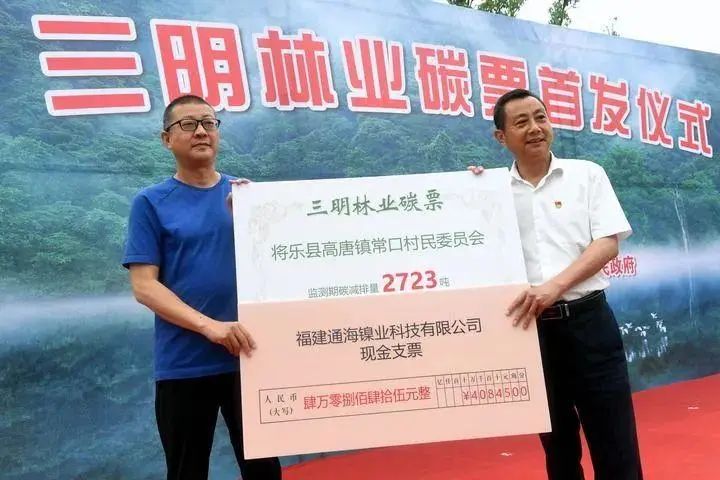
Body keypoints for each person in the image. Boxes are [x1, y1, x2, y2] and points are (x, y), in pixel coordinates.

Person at [470, 88, 643, 479]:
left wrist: (554, 287)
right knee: (558, 447)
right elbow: (473, 247)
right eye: (521, 122)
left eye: (541, 117)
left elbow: (608, 243)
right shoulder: (492, 192)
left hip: (590, 324)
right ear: (501, 137)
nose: (535, 128)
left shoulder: (587, 175)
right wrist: (470, 191)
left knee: (615, 442)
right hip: (531, 334)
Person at [122, 94, 282, 480]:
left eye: (209, 123)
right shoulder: (151, 202)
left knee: (264, 471)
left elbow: (277, 266)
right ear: (166, 139)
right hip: (184, 364)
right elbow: (144, 286)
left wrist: (255, 221)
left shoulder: (244, 196)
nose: (201, 132)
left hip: (249, 356)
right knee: (186, 470)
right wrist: (210, 326)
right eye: (188, 124)